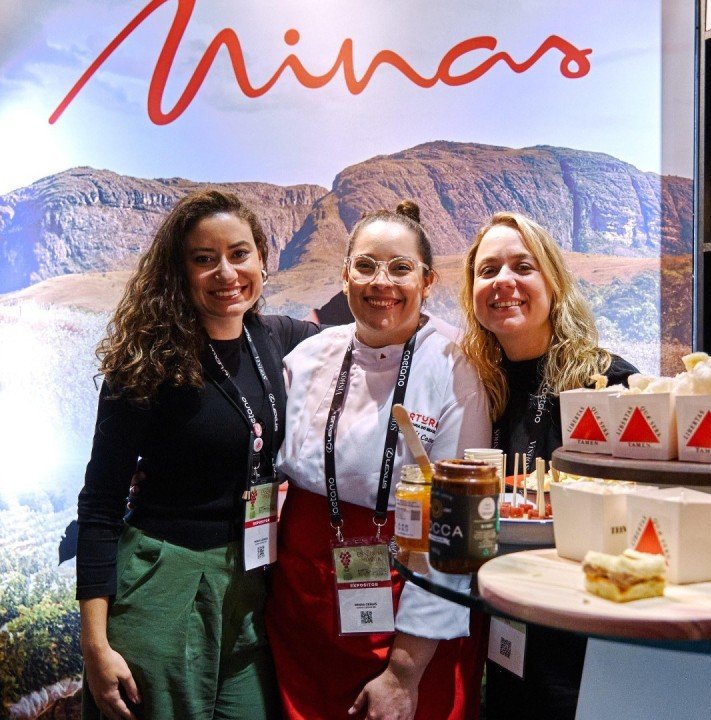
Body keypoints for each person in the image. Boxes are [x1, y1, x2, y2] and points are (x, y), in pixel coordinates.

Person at [77, 190, 318, 720]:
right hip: (164, 583)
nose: (226, 272)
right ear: (179, 270)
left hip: (251, 585)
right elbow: (99, 505)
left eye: (239, 254)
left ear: (261, 257)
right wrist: (94, 646)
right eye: (203, 259)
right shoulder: (146, 363)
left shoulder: (274, 338)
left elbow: (372, 334)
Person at [267, 201, 491, 720]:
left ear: (428, 279)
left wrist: (404, 673)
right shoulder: (309, 357)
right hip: (302, 612)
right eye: (365, 265)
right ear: (345, 274)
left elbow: (456, 531)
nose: (380, 282)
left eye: (400, 268)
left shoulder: (456, 367)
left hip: (413, 616)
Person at [459, 211, 639, 720]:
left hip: (583, 628)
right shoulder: (478, 384)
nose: (504, 283)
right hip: (505, 616)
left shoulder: (608, 385)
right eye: (488, 270)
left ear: (554, 281)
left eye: (523, 266)